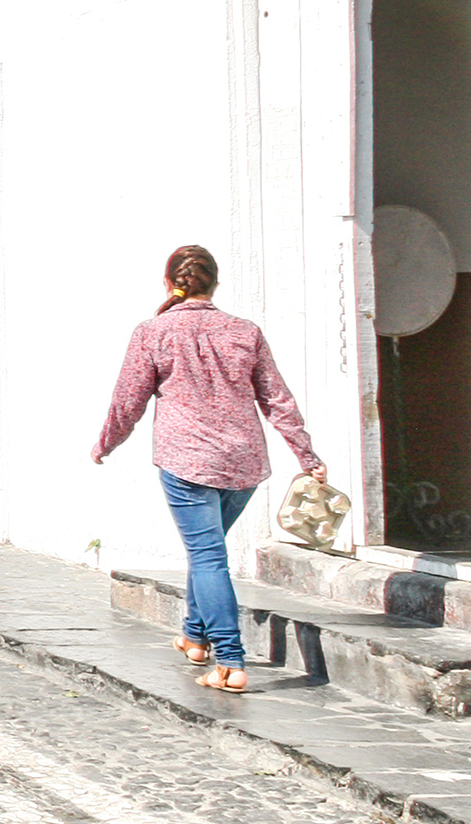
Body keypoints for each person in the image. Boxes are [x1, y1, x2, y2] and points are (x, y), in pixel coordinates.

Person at [92, 244, 323, 695]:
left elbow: (127, 401)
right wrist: (307, 456)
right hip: (243, 463)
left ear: (168, 283)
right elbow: (276, 398)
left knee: (208, 556)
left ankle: (230, 663)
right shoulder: (245, 331)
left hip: (187, 461)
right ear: (216, 284)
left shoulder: (153, 332)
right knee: (207, 552)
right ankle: (194, 638)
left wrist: (106, 443)